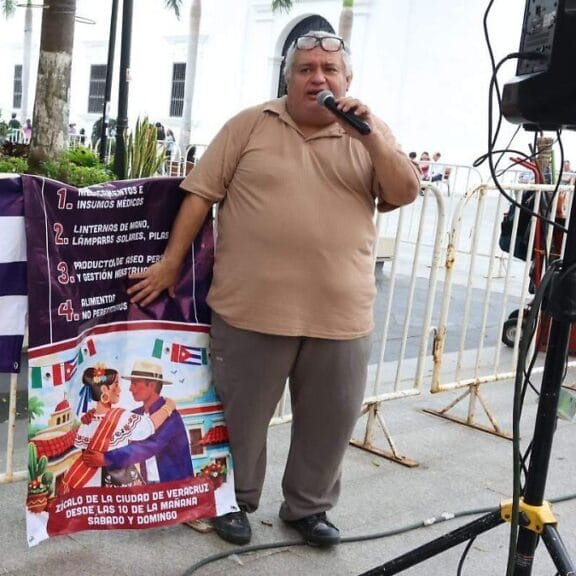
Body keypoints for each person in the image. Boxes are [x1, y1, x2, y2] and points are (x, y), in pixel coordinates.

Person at [125, 30, 419, 547]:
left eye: (329, 71)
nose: (318, 78)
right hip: (249, 311)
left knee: (329, 423)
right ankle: (234, 500)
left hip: (341, 316)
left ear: (347, 81)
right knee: (240, 419)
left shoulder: (369, 132)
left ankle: (308, 509)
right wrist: (171, 264)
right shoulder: (249, 125)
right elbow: (198, 196)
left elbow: (403, 191)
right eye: (306, 69)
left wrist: (369, 134)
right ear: (288, 79)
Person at [57, 364, 177, 494]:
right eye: (116, 385)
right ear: (104, 389)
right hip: (116, 486)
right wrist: (168, 407)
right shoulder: (121, 417)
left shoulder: (86, 423)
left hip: (89, 486)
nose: (120, 390)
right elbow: (149, 426)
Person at [81, 360, 194, 484]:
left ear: (151, 385)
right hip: (146, 488)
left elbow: (149, 446)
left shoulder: (171, 417)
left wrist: (107, 459)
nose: (130, 389)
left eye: (135, 383)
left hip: (174, 488)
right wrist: (93, 418)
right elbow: (113, 431)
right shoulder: (136, 415)